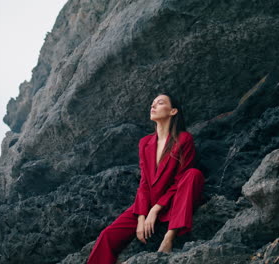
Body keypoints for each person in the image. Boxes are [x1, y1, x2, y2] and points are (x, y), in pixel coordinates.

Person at [86, 92, 205, 264]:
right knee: (107, 236)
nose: (153, 106)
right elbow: (144, 184)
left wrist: (155, 210)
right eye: (153, 103)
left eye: (160, 103)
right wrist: (142, 217)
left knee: (194, 174)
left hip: (174, 200)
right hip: (146, 203)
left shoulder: (183, 139)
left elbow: (181, 180)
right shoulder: (145, 143)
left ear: (173, 111)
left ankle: (169, 238)